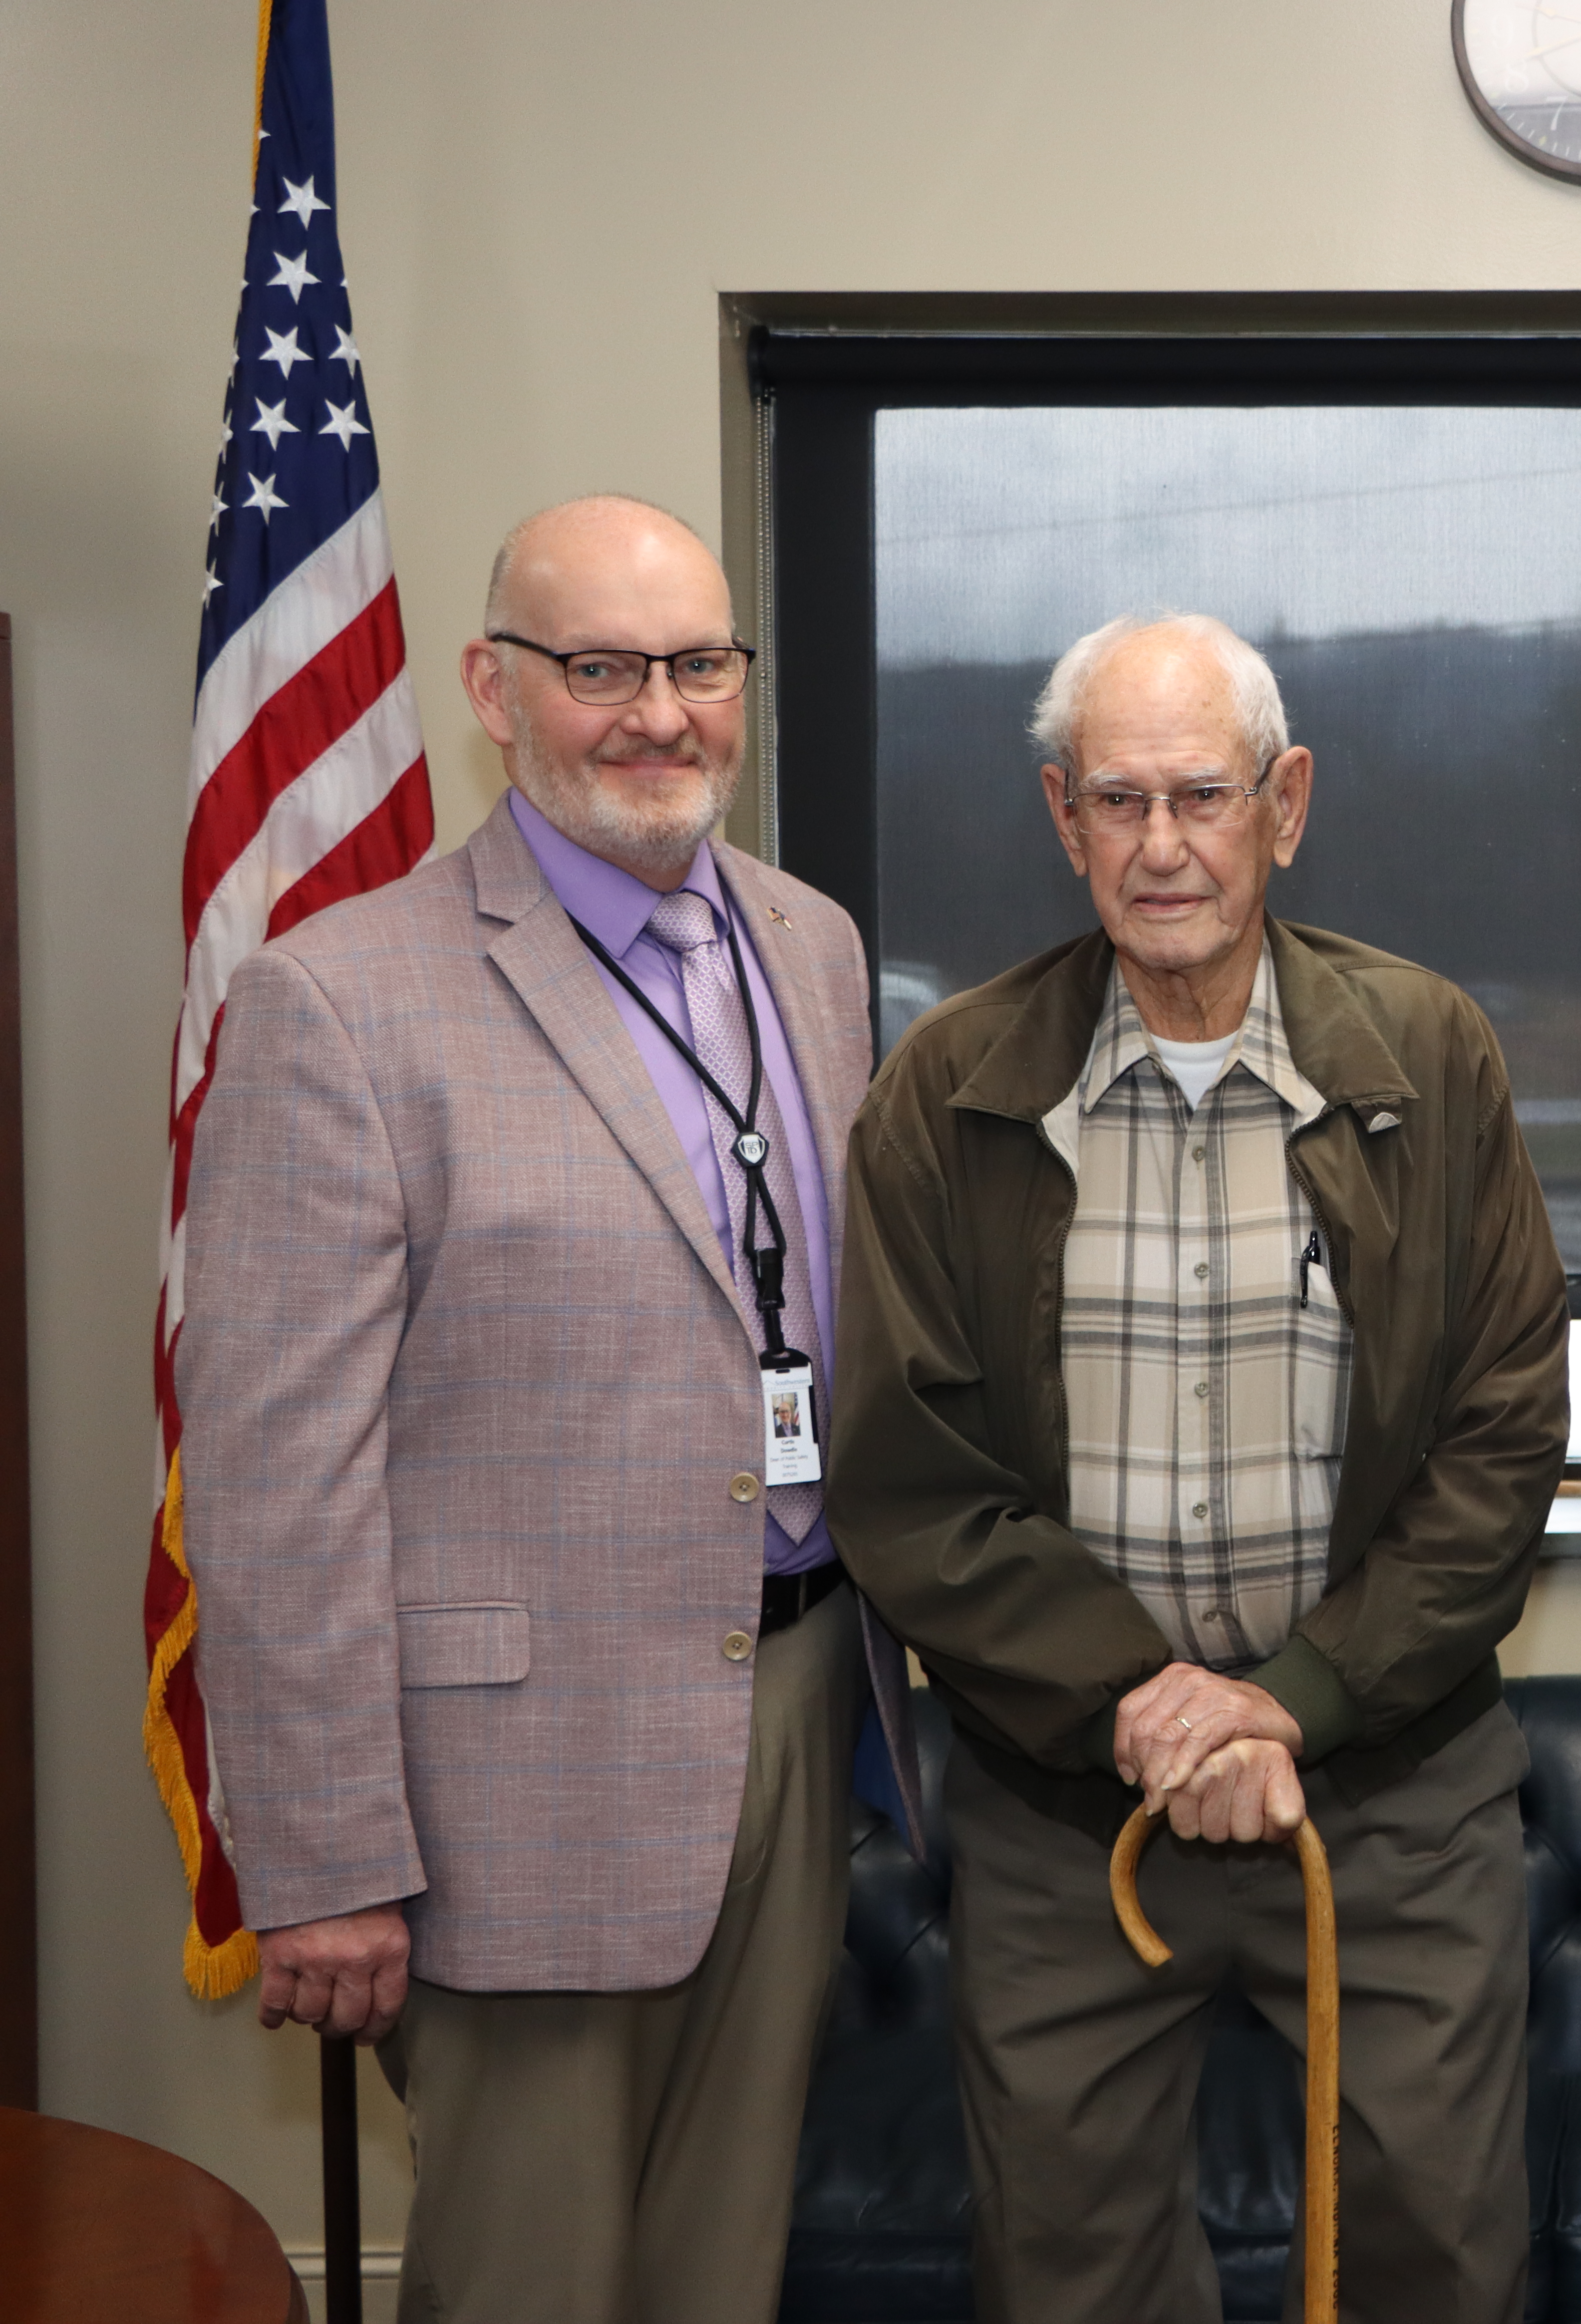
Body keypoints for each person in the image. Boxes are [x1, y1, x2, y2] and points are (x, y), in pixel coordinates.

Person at [178, 493, 919, 2323]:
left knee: (718, 2270)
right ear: (492, 692)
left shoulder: (811, 948)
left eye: (697, 664)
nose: (659, 714)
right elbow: (277, 1480)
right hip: (514, 1779)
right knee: (534, 2284)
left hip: (805, 1692)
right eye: (600, 668)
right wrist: (329, 1861)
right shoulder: (338, 1003)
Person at [829, 610, 1568, 2323]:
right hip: (1068, 1814)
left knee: (1440, 2267)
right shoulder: (949, 1089)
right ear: (1061, 818)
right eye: (1119, 800)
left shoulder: (1428, 1051)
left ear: (1285, 805)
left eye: (1204, 796)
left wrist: (1299, 1694)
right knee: (1068, 2280)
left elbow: (1503, 1428)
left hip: (1389, 1804)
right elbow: (910, 1474)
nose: (1163, 846)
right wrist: (1141, 1702)